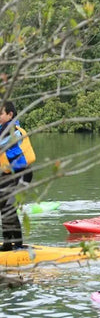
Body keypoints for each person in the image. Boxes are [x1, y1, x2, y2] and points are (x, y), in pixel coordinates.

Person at [0, 101, 36, 251]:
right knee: (3, 206)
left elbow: (6, 144)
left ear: (10, 115)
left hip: (23, 174)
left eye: (1, 113)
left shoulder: (17, 131)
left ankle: (18, 244)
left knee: (9, 206)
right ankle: (8, 242)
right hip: (7, 175)